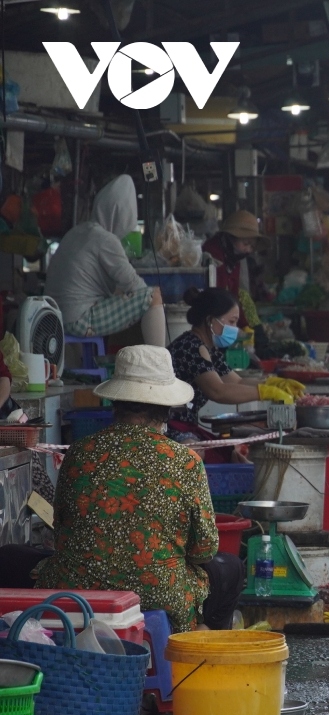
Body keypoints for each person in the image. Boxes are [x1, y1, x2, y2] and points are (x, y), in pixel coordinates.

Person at [35, 346, 244, 630]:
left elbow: (61, 532)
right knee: (231, 568)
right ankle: (202, 646)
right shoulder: (185, 462)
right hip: (159, 596)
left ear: (115, 402)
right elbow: (204, 549)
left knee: (12, 556)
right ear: (166, 409)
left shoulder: (79, 453)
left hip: (75, 591)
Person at [166, 288, 302, 456]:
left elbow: (236, 382)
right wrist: (266, 393)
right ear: (210, 320)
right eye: (231, 322)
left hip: (188, 426)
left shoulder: (208, 348)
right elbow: (218, 391)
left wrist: (274, 384)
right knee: (195, 455)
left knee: (236, 454)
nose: (236, 329)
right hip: (167, 426)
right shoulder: (190, 346)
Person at [45, 175, 167, 347]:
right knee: (153, 297)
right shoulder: (105, 239)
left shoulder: (78, 231)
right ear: (123, 216)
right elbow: (135, 286)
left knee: (125, 296)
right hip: (76, 319)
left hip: (52, 316)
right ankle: (161, 367)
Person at [202, 210, 266, 329]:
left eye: (252, 246)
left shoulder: (233, 259)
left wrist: (244, 325)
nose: (248, 250)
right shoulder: (213, 252)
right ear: (231, 238)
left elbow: (234, 295)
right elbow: (219, 295)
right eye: (246, 243)